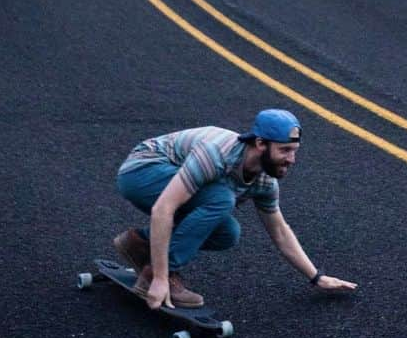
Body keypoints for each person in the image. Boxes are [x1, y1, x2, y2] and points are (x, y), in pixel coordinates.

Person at [112, 108, 356, 310]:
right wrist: (161, 278)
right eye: (284, 150)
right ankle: (155, 272)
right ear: (260, 143)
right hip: (141, 171)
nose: (292, 159)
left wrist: (316, 277)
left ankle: (138, 243)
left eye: (294, 151)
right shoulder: (216, 155)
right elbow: (163, 210)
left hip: (168, 181)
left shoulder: (264, 182)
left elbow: (280, 231)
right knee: (221, 199)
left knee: (227, 232)